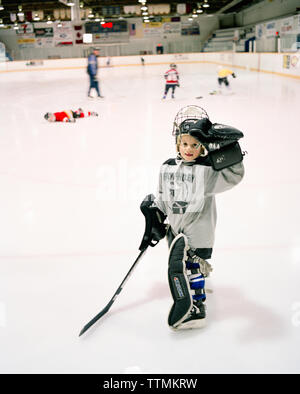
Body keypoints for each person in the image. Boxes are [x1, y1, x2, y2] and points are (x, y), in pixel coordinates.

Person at [140, 105, 245, 330]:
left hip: (199, 229)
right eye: (184, 143)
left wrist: (228, 149)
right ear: (177, 143)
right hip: (176, 229)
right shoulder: (167, 167)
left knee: (193, 266)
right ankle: (192, 290)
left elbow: (234, 175)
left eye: (195, 144)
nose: (189, 149)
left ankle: (197, 307)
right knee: (183, 267)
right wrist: (155, 211)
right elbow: (163, 195)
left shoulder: (207, 171)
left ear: (203, 146)